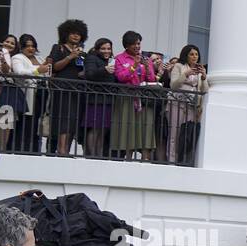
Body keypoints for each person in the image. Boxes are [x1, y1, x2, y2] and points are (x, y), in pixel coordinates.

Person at [112, 31, 158, 161]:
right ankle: (128, 160)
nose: (137, 46)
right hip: (127, 98)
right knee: (129, 130)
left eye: (138, 43)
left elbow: (151, 79)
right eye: (134, 44)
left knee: (144, 130)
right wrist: (135, 65)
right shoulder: (119, 59)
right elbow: (121, 77)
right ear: (127, 46)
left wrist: (148, 68)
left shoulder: (146, 59)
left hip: (142, 98)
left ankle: (144, 160)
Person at [47, 19, 89, 156]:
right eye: (72, 33)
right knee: (63, 120)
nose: (76, 36)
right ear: (66, 34)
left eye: (78, 34)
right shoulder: (58, 48)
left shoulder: (82, 52)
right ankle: (61, 150)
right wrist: (70, 57)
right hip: (62, 89)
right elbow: (54, 67)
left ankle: (67, 149)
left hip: (77, 90)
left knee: (73, 121)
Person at [8, 34, 52, 154]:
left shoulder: (41, 59)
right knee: (26, 123)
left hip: (42, 93)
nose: (30, 48)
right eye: (27, 46)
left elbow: (47, 75)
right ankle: (22, 149)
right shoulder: (18, 57)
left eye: (33, 46)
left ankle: (35, 149)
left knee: (37, 123)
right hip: (27, 94)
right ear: (21, 47)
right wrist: (38, 70)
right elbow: (19, 72)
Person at [167, 44, 208, 164]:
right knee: (174, 133)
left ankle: (183, 161)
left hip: (192, 106)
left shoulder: (200, 70)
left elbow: (204, 91)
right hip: (177, 104)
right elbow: (173, 85)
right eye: (191, 54)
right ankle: (171, 161)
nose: (195, 57)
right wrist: (186, 74)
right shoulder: (179, 66)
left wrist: (204, 77)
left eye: (196, 54)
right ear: (186, 55)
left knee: (187, 135)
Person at [81, 38, 114, 158]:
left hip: (108, 100)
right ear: (97, 49)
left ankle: (99, 155)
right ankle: (91, 155)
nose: (106, 51)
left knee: (103, 129)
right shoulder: (92, 58)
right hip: (96, 100)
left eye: (109, 48)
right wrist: (104, 70)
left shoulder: (111, 61)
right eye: (103, 48)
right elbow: (89, 74)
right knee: (95, 128)